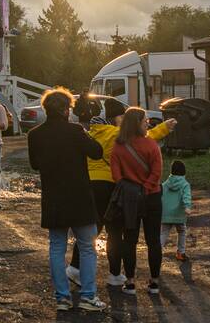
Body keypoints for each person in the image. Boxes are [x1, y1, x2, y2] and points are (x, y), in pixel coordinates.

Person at [69, 97, 177, 287]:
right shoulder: (116, 135)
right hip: (111, 187)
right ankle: (115, 274)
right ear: (116, 118)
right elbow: (145, 140)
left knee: (91, 229)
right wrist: (165, 127)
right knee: (115, 233)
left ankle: (75, 268)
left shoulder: (89, 134)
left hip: (90, 184)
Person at [27, 87, 107, 312]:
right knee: (87, 247)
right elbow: (97, 152)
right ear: (65, 110)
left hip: (53, 197)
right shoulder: (75, 131)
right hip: (79, 196)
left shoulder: (35, 134)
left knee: (56, 247)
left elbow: (35, 164)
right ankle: (88, 296)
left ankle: (62, 297)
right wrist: (88, 132)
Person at [107, 107, 164, 296]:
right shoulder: (151, 145)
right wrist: (146, 188)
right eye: (145, 120)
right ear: (137, 123)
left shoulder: (118, 145)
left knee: (129, 240)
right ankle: (154, 283)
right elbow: (157, 172)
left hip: (129, 198)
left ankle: (130, 283)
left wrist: (131, 188)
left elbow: (116, 175)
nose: (147, 122)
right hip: (152, 196)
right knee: (153, 240)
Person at [160, 160, 193, 261]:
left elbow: (160, 197)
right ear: (184, 172)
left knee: (164, 233)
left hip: (166, 214)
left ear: (172, 171)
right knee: (182, 231)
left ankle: (157, 251)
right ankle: (181, 253)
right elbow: (186, 196)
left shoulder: (165, 184)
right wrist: (187, 207)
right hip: (179, 214)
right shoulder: (185, 184)